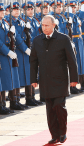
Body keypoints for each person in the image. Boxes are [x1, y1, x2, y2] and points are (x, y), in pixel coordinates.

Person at [30, 15, 78, 144]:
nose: (44, 28)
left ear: (53, 25)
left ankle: (62, 133)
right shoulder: (37, 40)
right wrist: (33, 78)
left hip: (60, 79)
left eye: (47, 25)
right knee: (50, 109)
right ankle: (54, 135)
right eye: (42, 25)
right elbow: (33, 61)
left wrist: (74, 78)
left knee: (59, 106)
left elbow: (71, 60)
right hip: (45, 81)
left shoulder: (63, 39)